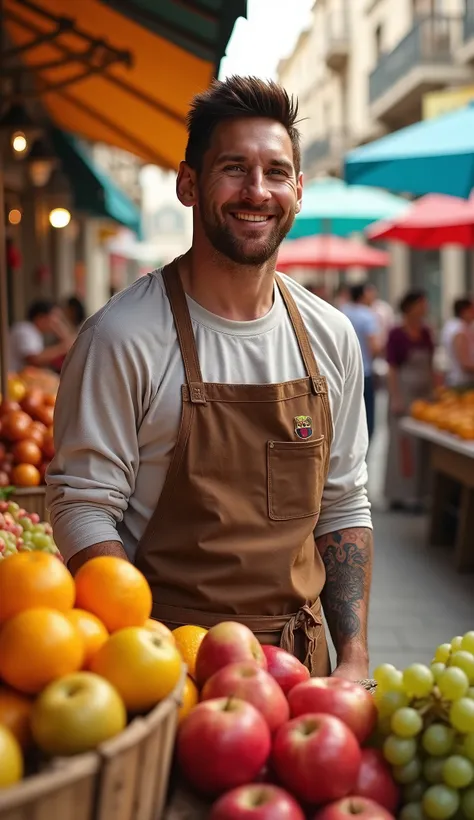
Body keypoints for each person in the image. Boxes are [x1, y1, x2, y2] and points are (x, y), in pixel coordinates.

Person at [46, 76, 373, 681]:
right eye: (234, 168)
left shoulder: (331, 338)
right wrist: (139, 646)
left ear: (298, 191)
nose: (257, 191)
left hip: (302, 670)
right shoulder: (122, 337)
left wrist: (352, 659)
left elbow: (343, 502)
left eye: (276, 172)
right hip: (169, 668)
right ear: (188, 184)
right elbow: (82, 506)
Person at [384, 290, 435, 511]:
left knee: (423, 446)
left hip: (424, 394)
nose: (425, 307)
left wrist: (435, 389)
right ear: (411, 306)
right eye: (422, 303)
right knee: (403, 445)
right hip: (403, 392)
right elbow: (392, 368)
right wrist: (396, 397)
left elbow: (432, 364)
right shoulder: (396, 333)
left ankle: (421, 492)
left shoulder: (426, 332)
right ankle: (401, 493)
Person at [341, 283, 382, 441]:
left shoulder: (342, 311)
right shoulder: (367, 315)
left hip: (344, 373)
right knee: (366, 422)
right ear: (363, 295)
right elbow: (374, 347)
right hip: (364, 372)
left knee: (346, 419)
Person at [9, 300, 75, 374]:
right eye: (54, 317)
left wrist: (62, 334)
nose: (57, 322)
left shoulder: (35, 333)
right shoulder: (25, 329)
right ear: (41, 317)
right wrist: (63, 347)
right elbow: (34, 359)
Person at [441, 297, 474, 388]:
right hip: (462, 383)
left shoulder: (452, 326)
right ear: (464, 311)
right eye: (472, 309)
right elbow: (465, 363)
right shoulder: (459, 330)